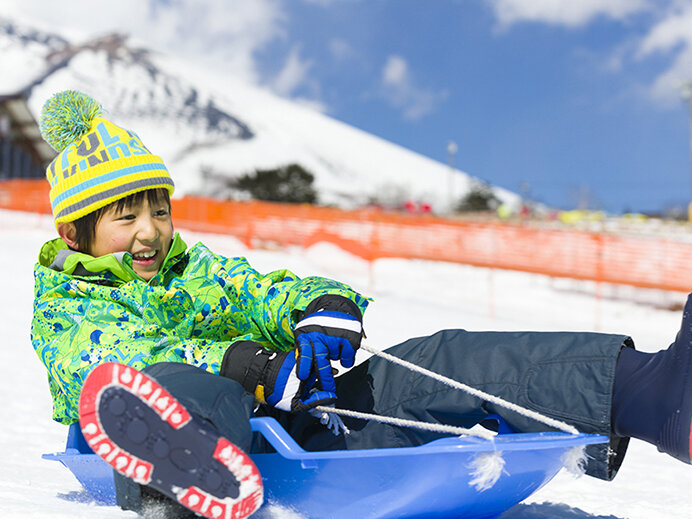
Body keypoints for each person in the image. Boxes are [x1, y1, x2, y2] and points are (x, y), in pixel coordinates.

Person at [32, 91, 692, 519]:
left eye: (159, 207)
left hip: (295, 427)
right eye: (126, 216)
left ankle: (653, 397)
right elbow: (102, 357)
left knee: (444, 356)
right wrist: (250, 364)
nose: (149, 229)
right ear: (74, 232)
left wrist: (319, 307)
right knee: (169, 386)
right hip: (182, 419)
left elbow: (259, 290)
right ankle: (177, 480)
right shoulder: (67, 299)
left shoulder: (193, 268)